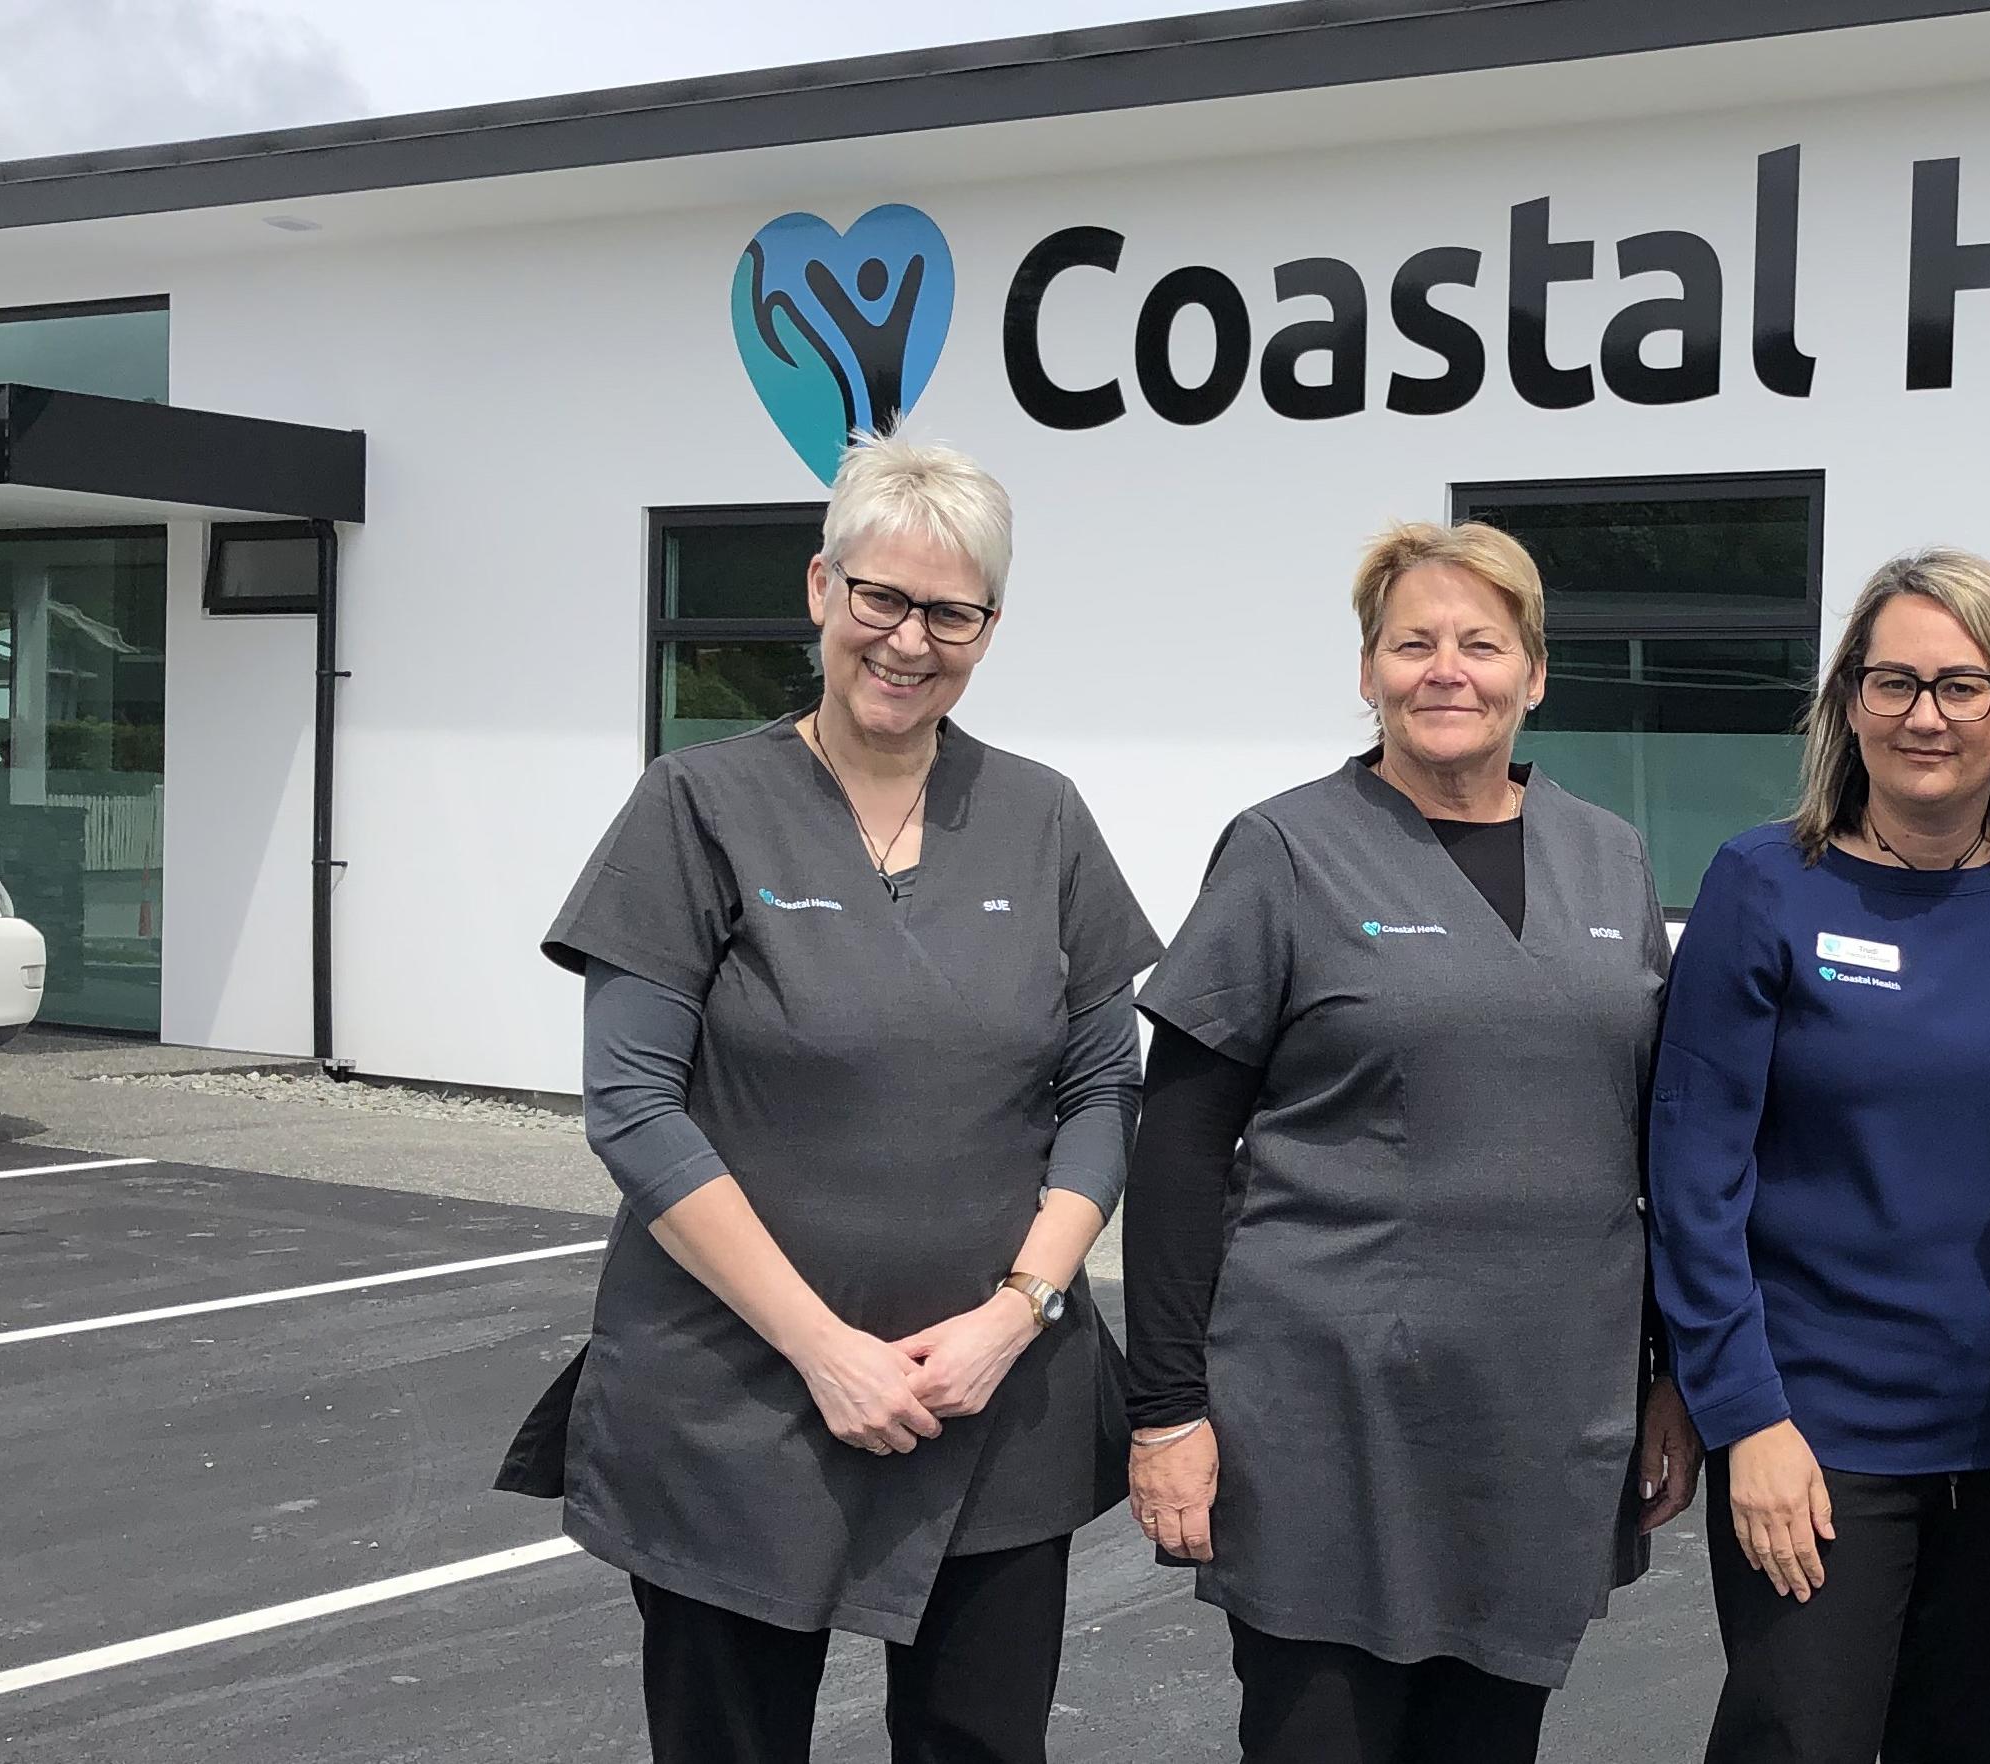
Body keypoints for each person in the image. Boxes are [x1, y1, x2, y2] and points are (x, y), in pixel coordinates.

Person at [529, 433, 1160, 1764]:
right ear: (822, 588)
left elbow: (1105, 1090)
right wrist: (823, 1347)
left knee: (983, 1746)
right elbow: (633, 1105)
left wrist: (1016, 1313)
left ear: (990, 628)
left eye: (952, 612)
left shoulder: (1042, 820)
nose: (909, 640)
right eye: (881, 598)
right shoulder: (697, 805)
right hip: (741, 1401)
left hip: (993, 1404)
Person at [1120, 521, 1700, 1764]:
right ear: (1370, 671)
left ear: (1535, 674)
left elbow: (1646, 1144)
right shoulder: (1284, 850)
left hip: (1544, 1421)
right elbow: (1176, 1145)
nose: (1449, 670)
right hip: (1327, 1425)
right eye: (1413, 643)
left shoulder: (1609, 856)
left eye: (1483, 644)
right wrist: (1167, 1409)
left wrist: (1669, 1373)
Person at [1648, 546, 1990, 1764]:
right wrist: (1742, 1415)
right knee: (1796, 1741)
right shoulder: (1766, 885)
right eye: (1894, 683)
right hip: (1817, 1436)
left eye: (1962, 685)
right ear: (1849, 704)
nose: (1926, 715)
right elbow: (1693, 1174)